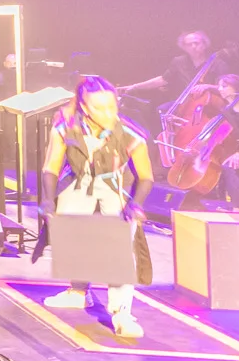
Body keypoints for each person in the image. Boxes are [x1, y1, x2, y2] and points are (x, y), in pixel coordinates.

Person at [38, 75, 157, 339]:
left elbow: (146, 177)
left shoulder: (130, 134)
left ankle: (122, 313)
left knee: (117, 248)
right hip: (78, 184)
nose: (107, 113)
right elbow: (51, 168)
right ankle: (78, 291)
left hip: (114, 188)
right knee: (71, 230)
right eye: (99, 108)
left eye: (112, 107)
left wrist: (135, 205)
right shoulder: (65, 129)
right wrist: (47, 201)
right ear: (84, 107)